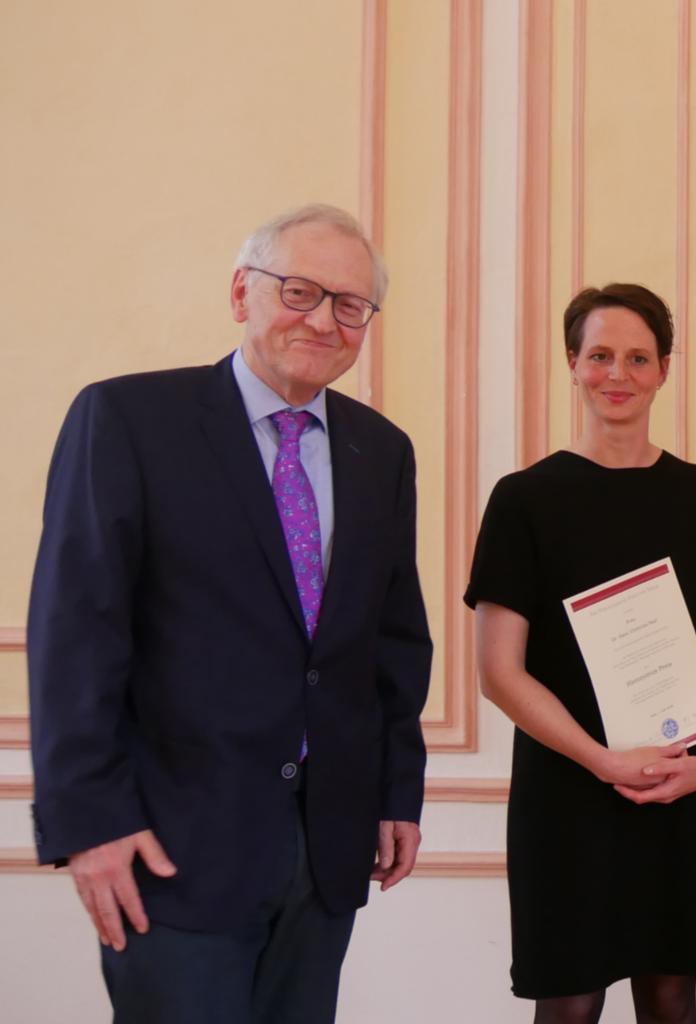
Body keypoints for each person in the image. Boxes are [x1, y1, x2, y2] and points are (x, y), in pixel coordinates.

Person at [26, 203, 432, 1022]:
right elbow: (75, 633)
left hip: (326, 850)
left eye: (350, 305)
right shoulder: (128, 421)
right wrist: (88, 821)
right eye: (300, 291)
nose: (324, 320)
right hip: (170, 845)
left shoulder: (381, 452)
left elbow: (391, 641)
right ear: (242, 291)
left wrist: (397, 792)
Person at [466, 283, 696, 1023]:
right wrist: (601, 760)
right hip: (567, 791)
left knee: (672, 999)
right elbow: (500, 672)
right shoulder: (522, 500)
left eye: (637, 357)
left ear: (664, 368)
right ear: (572, 363)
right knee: (568, 1003)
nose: (617, 374)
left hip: (682, 782)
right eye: (599, 355)